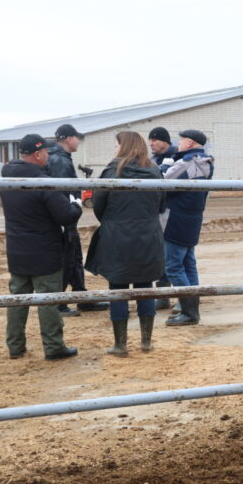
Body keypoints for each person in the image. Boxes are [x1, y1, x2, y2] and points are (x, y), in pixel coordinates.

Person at [0, 134, 83, 360]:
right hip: (44, 251)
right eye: (46, 152)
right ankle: (54, 347)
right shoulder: (42, 181)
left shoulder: (6, 175)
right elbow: (65, 216)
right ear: (37, 154)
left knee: (17, 300)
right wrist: (77, 203)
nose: (49, 155)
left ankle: (15, 346)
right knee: (47, 300)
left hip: (17, 249)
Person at [85, 131, 167, 356]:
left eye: (116, 145)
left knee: (118, 289)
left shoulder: (112, 171)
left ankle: (120, 344)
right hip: (148, 236)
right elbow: (162, 204)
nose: (114, 149)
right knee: (145, 287)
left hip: (117, 237)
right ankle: (146, 342)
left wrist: (114, 221)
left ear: (123, 146)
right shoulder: (155, 172)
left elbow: (99, 206)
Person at [46, 123, 108, 316]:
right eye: (77, 138)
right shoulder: (60, 161)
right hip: (65, 218)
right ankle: (60, 303)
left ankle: (81, 297)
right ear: (68, 138)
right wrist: (68, 214)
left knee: (74, 258)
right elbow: (60, 193)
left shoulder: (60, 158)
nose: (79, 141)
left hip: (68, 217)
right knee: (67, 259)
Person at [161, 129, 214, 326]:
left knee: (174, 267)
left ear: (190, 143)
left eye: (182, 140)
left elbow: (163, 182)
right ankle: (190, 309)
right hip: (191, 219)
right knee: (188, 264)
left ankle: (189, 312)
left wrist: (161, 167)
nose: (179, 143)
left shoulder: (189, 162)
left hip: (176, 219)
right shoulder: (205, 162)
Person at [148, 126, 178, 310]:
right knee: (159, 252)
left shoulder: (175, 158)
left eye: (155, 140)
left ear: (165, 141)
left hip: (169, 211)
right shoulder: (153, 159)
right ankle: (163, 293)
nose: (151, 143)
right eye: (150, 140)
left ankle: (172, 294)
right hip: (156, 210)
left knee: (171, 254)